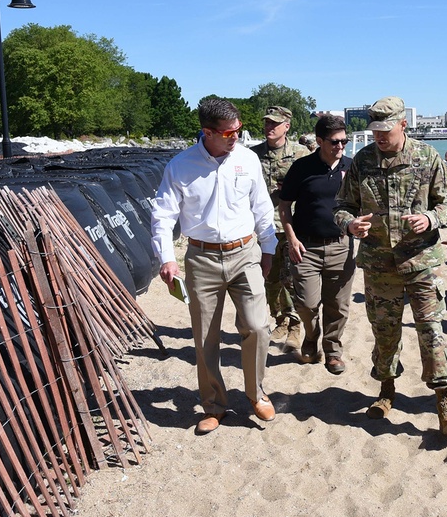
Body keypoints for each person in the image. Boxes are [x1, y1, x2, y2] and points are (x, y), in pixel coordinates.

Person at [333, 96, 447, 437]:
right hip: (379, 265)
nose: (379, 137)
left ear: (403, 125)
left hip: (421, 262)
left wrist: (430, 217)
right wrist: (349, 225)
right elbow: (342, 206)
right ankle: (386, 391)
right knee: (385, 333)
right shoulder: (362, 161)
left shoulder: (427, 157)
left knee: (431, 332)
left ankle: (444, 404)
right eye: (374, 130)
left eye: (386, 131)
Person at [151, 98, 278, 434]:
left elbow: (262, 207)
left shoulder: (248, 160)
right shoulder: (180, 166)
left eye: (238, 130)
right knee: (205, 335)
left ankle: (256, 393)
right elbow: (163, 216)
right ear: (207, 132)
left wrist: (269, 249)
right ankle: (214, 405)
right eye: (228, 133)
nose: (235, 137)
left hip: (245, 253)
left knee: (257, 326)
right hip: (201, 258)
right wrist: (166, 257)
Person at [279, 115, 355, 374]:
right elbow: (285, 206)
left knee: (338, 305)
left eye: (344, 141)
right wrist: (291, 239)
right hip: (305, 248)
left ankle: (333, 351)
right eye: (335, 142)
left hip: (341, 246)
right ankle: (311, 336)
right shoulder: (302, 168)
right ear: (320, 141)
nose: (341, 146)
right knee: (307, 304)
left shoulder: (351, 167)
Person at [252, 105, 311, 356]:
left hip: (291, 226)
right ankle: (281, 319)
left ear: (287, 126)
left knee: (291, 279)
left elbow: (311, 189)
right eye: (267, 123)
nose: (269, 128)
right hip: (262, 228)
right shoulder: (252, 155)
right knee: (269, 280)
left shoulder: (301, 154)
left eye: (274, 124)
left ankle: (296, 325)